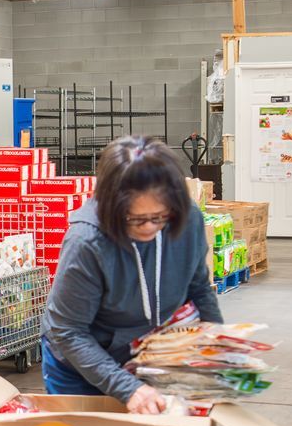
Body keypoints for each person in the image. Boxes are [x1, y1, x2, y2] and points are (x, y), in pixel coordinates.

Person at [43, 135, 222, 411]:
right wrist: (128, 388)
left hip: (146, 352)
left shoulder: (187, 220)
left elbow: (197, 282)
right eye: (136, 219)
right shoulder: (87, 242)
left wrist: (216, 335)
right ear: (112, 207)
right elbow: (68, 331)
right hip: (81, 361)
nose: (150, 227)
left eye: (159, 217)